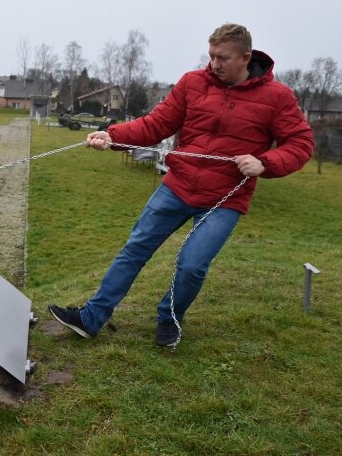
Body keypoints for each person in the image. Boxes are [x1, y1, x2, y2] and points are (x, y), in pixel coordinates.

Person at [48, 23, 314, 347]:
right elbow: (156, 124)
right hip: (177, 185)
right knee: (135, 249)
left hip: (224, 201)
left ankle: (169, 318)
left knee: (192, 266)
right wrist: (113, 136)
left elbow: (300, 144)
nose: (214, 64)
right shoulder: (192, 83)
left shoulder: (277, 97)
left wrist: (265, 163)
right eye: (211, 55)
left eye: (223, 58)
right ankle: (91, 318)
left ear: (246, 58)